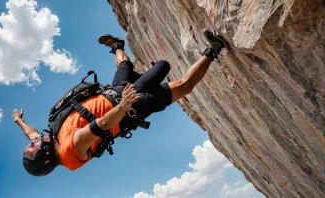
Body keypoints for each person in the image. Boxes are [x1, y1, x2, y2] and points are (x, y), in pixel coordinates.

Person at [13, 30, 227, 176]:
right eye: (32, 149)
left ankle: (117, 45)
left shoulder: (55, 138)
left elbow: (31, 134)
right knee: (180, 83)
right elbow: (103, 124)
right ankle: (213, 49)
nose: (32, 143)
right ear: (45, 158)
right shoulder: (70, 151)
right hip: (132, 105)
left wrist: (19, 121)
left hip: (116, 91)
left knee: (127, 63)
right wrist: (123, 106)